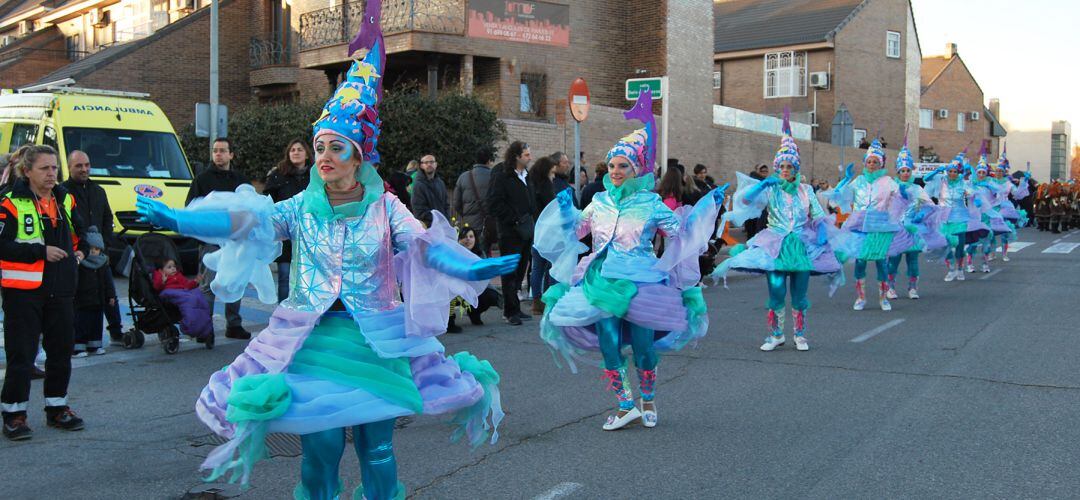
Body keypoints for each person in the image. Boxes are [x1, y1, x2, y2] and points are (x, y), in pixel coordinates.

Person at [136, 10, 514, 497]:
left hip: (375, 338)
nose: (324, 156)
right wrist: (179, 219)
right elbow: (244, 220)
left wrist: (473, 267)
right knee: (319, 451)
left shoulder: (385, 205)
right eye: (319, 147)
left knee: (377, 449)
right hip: (310, 338)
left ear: (360, 156)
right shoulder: (300, 207)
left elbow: (425, 248)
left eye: (337, 147)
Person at [536, 89, 726, 430]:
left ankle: (648, 399)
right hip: (602, 280)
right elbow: (577, 232)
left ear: (635, 168)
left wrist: (705, 211)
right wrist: (567, 212)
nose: (615, 170)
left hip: (642, 283)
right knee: (609, 343)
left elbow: (679, 235)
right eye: (611, 165)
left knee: (643, 349)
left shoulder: (650, 203)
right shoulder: (599, 202)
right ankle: (625, 405)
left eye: (622, 165)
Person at [713, 110, 841, 352]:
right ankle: (776, 335)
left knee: (800, 294)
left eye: (789, 166)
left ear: (795, 168)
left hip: (801, 244)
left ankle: (800, 336)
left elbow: (818, 215)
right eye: (781, 165)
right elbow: (747, 202)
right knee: (777, 291)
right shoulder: (770, 189)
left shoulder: (806, 190)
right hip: (774, 244)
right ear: (776, 167)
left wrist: (822, 233)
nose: (785, 169)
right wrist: (762, 184)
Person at [1, 144, 88, 441]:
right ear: (27, 171)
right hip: (22, 293)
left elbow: (79, 233)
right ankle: (14, 415)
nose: (52, 174)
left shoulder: (66, 199)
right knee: (22, 356)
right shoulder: (10, 204)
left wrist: (82, 251)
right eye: (44, 169)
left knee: (61, 352)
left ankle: (57, 408)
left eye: (54, 168)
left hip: (61, 290)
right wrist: (40, 252)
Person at [186, 137, 250, 340]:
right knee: (208, 286)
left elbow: (250, 208)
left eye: (222, 150)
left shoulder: (240, 180)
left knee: (235, 283)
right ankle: (206, 327)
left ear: (231, 154)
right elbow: (191, 208)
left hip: (236, 241)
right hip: (211, 242)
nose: (218, 154)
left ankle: (234, 324)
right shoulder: (202, 180)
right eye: (215, 151)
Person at [829, 137, 903, 311]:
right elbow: (838, 197)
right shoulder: (858, 181)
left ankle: (883, 298)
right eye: (869, 161)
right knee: (860, 261)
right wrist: (845, 180)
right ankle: (860, 297)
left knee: (880, 262)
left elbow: (900, 201)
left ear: (881, 164)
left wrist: (904, 197)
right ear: (865, 163)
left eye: (875, 161)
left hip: (880, 226)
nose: (871, 164)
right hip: (859, 225)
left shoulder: (888, 182)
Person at [62, 149, 125, 345]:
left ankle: (116, 332)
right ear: (70, 167)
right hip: (77, 254)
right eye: (79, 166)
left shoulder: (98, 191)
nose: (84, 169)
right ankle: (77, 338)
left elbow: (107, 217)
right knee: (80, 299)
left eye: (87, 165)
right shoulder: (62, 192)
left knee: (108, 295)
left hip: (100, 255)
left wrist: (104, 244)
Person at [886, 135, 944, 300]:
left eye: (907, 171)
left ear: (911, 171)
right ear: (898, 172)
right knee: (894, 260)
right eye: (902, 171)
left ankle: (912, 288)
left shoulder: (917, 188)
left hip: (912, 229)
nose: (905, 174)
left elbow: (930, 205)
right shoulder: (892, 186)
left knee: (912, 259)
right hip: (896, 229)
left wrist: (921, 215)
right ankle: (890, 287)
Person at [487, 140, 536, 326]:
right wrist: (514, 219)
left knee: (521, 269)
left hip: (525, 230)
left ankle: (515, 307)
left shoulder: (526, 174)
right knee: (509, 271)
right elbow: (494, 203)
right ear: (516, 156)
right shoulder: (502, 173)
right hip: (510, 231)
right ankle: (510, 311)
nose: (530, 157)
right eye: (526, 155)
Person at [923, 148, 990, 282]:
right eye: (950, 171)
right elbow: (925, 178)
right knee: (945, 244)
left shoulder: (962, 184)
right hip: (943, 218)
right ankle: (951, 269)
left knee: (959, 245)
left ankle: (960, 269)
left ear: (958, 172)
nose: (952, 174)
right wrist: (936, 170)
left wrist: (975, 199)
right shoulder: (941, 181)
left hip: (960, 218)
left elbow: (971, 192)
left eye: (955, 171)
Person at [263, 139, 312, 302]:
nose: (296, 152)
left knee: (307, 276)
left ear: (306, 153)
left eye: (299, 149)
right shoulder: (278, 175)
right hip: (284, 234)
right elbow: (268, 201)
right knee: (284, 276)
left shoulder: (316, 175)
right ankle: (283, 311)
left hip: (308, 234)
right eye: (292, 150)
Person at [447, 225, 501, 332]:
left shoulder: (480, 254)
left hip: (472, 291)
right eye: (464, 237)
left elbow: (485, 280)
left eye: (471, 236)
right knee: (450, 293)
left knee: (491, 295)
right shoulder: (453, 254)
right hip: (455, 291)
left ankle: (474, 313)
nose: (468, 239)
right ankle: (449, 322)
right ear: (458, 240)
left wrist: (496, 294)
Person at [73, 227, 116, 357]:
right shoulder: (80, 264)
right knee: (81, 324)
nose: (93, 252)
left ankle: (94, 345)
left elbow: (108, 282)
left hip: (98, 299)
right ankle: (78, 347)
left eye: (96, 249)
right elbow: (75, 282)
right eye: (91, 249)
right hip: (82, 301)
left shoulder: (103, 263)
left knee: (96, 324)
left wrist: (111, 296)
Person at [152, 258, 214, 341]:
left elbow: (187, 285)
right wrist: (162, 281)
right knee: (189, 301)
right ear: (161, 270)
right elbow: (156, 287)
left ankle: (204, 327)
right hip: (169, 292)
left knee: (198, 296)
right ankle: (190, 325)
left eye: (174, 266)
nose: (173, 269)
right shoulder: (159, 275)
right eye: (169, 267)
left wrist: (195, 282)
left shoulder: (178, 275)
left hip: (182, 292)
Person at [527, 156, 558, 316]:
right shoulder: (546, 186)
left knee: (537, 267)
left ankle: (536, 301)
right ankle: (548, 299)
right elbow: (552, 207)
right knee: (550, 266)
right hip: (548, 231)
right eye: (552, 173)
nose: (553, 176)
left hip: (536, 229)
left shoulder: (531, 183)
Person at [452, 147, 497, 254]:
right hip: (489, 224)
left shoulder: (463, 177)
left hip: (470, 224)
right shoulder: (495, 176)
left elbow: (456, 203)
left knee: (470, 253)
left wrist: (466, 215)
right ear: (489, 161)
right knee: (485, 251)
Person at [411, 153, 449, 227]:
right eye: (426, 162)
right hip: (427, 227)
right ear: (421, 166)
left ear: (436, 164)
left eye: (431, 162)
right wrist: (437, 219)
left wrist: (446, 220)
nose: (429, 164)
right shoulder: (418, 185)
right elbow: (419, 210)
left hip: (442, 227)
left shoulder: (440, 183)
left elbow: (446, 204)